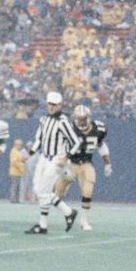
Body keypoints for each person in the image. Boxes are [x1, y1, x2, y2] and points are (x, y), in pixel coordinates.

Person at [25, 91, 80, 234]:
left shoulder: (63, 121)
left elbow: (75, 142)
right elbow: (39, 140)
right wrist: (29, 154)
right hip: (44, 157)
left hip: (56, 159)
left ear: (60, 105)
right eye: (49, 103)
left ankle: (43, 225)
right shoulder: (44, 119)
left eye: (54, 104)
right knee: (39, 190)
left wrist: (66, 157)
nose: (51, 107)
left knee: (43, 191)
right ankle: (68, 212)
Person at [54, 105, 113, 231]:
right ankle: (66, 213)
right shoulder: (68, 128)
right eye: (78, 118)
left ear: (89, 117)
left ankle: (84, 220)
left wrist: (108, 163)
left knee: (88, 189)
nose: (81, 121)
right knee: (56, 194)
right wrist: (64, 169)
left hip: (86, 163)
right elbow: (60, 150)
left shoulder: (98, 128)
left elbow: (101, 145)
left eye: (83, 118)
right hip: (70, 162)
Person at [8, 138, 27, 203]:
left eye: (21, 145)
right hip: (14, 172)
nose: (20, 146)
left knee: (18, 187)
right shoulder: (14, 151)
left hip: (19, 173)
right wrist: (21, 168)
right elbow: (14, 162)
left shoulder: (19, 152)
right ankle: (13, 199)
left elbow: (21, 161)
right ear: (15, 145)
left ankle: (16, 199)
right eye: (19, 145)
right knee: (14, 186)